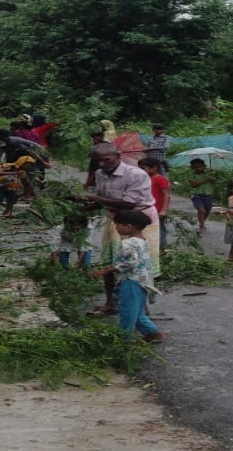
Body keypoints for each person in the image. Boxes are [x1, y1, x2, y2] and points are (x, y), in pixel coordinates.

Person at [81, 143, 162, 314]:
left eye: (106, 159)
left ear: (118, 155)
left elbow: (129, 202)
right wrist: (84, 206)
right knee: (111, 259)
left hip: (140, 220)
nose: (102, 164)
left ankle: (141, 307)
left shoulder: (136, 174)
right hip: (116, 220)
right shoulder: (100, 174)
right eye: (98, 161)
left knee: (140, 263)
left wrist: (94, 198)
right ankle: (111, 302)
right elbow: (104, 199)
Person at [91, 208, 163, 343]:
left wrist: (106, 270)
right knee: (138, 311)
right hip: (143, 281)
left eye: (118, 225)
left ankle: (125, 339)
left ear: (128, 226)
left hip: (131, 281)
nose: (116, 228)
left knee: (127, 311)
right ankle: (152, 333)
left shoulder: (128, 243)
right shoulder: (143, 240)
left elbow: (130, 262)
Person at [0, 128, 51, 194]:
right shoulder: (10, 140)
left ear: (0, 135)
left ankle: (29, 194)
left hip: (39, 154)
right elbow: (6, 147)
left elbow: (30, 151)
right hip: (36, 153)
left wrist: (44, 162)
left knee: (28, 173)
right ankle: (39, 184)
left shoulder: (13, 142)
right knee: (24, 170)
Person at [139, 158, 171, 250]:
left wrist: (164, 209)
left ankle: (162, 248)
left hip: (158, 209)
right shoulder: (146, 179)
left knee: (159, 229)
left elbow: (166, 195)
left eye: (143, 168)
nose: (141, 171)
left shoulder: (160, 179)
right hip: (147, 209)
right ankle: (151, 247)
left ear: (154, 168)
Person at [186, 159, 217, 234]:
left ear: (204, 167)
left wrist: (212, 179)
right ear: (192, 168)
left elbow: (215, 182)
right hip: (196, 195)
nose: (198, 168)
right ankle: (202, 226)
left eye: (200, 167)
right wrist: (206, 179)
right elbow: (193, 184)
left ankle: (201, 222)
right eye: (196, 167)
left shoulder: (209, 173)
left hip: (208, 195)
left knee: (207, 211)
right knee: (201, 210)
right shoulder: (191, 174)